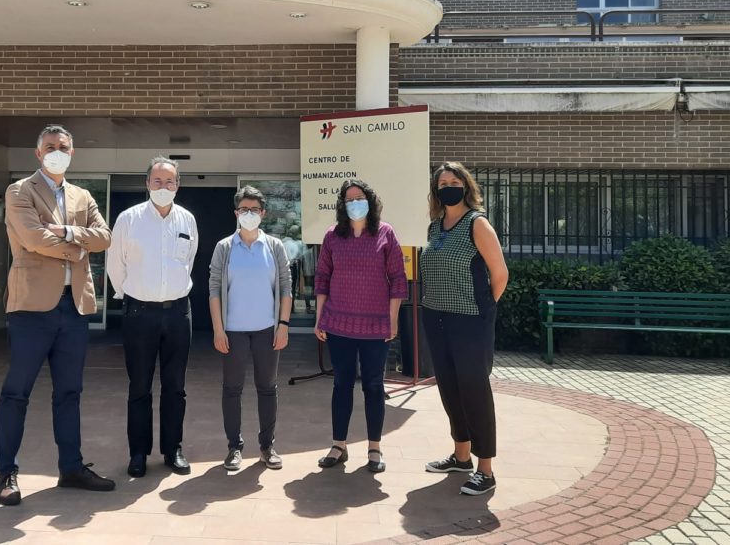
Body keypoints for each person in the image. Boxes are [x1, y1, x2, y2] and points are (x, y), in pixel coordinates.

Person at [0, 124, 115, 506]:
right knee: (17, 392)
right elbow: (32, 238)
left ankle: (71, 468)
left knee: (69, 392)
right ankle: (6, 473)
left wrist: (64, 231)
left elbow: (104, 237)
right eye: (49, 147)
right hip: (31, 307)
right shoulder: (20, 191)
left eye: (63, 147)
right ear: (38, 153)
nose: (56, 152)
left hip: (73, 307)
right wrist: (77, 246)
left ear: (72, 153)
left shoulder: (83, 195)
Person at [419, 161, 509, 496]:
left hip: (470, 321)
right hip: (436, 318)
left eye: (454, 182)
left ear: (466, 186)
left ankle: (485, 469)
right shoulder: (435, 227)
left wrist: (483, 310)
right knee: (450, 388)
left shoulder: (477, 223)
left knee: (474, 391)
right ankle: (461, 457)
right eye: (442, 184)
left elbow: (500, 274)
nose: (448, 188)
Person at [106, 156, 199, 478]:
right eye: (157, 181)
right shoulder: (128, 219)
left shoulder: (187, 220)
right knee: (139, 387)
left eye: (169, 181)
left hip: (178, 313)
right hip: (139, 313)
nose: (163, 186)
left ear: (178, 185)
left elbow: (188, 261)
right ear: (147, 184)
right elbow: (115, 265)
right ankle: (138, 453)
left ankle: (173, 449)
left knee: (175, 387)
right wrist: (133, 293)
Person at [313, 179, 407, 473]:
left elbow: (398, 279)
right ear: (342, 205)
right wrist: (319, 317)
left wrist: (392, 319)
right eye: (349, 199)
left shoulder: (385, 233)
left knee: (374, 386)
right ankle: (338, 445)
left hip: (375, 326)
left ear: (370, 201)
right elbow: (322, 277)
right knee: (341, 384)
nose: (355, 203)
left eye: (360, 198)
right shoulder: (332, 236)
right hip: (338, 323)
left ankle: (374, 448)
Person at [208, 185, 294, 471]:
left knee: (267, 388)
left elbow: (286, 287)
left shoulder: (274, 246)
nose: (249, 214)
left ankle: (267, 446)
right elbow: (214, 290)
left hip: (267, 330)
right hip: (233, 332)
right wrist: (218, 330)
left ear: (263, 213)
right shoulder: (224, 247)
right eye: (244, 209)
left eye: (254, 210)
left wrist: (283, 325)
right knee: (232, 389)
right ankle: (234, 447)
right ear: (236, 213)